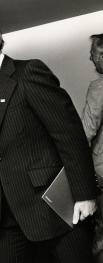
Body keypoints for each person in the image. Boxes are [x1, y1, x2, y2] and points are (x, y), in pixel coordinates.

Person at [0, 16, 98, 262]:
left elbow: (69, 135)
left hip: (55, 208)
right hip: (11, 212)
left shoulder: (28, 73)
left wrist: (85, 194)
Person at [82, 33, 103, 261]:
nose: (91, 59)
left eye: (93, 54)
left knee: (99, 234)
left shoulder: (99, 87)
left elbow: (86, 131)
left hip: (101, 172)